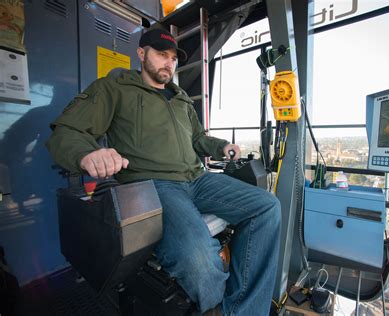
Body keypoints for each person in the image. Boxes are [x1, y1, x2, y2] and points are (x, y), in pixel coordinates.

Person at [46, 28, 281, 316]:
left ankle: (243, 310)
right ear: (142, 54)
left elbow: (197, 138)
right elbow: (67, 131)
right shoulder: (116, 87)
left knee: (267, 206)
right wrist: (87, 153)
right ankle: (218, 307)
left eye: (172, 59)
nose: (168, 63)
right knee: (198, 260)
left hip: (198, 179)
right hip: (155, 184)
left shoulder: (181, 98)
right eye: (161, 55)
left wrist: (220, 146)